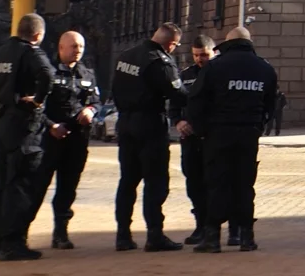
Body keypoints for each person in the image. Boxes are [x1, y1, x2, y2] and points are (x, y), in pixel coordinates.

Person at [185, 26, 278, 253]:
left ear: (228, 43)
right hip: (248, 133)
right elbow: (272, 103)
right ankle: (246, 237)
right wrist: (259, 125)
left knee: (217, 183)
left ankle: (213, 237)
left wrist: (201, 130)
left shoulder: (215, 67)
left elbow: (196, 101)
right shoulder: (264, 68)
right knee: (245, 185)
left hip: (218, 134)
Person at [0, 13, 55, 262]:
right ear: (38, 35)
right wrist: (37, 100)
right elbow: (47, 75)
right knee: (20, 184)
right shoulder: (31, 53)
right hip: (22, 127)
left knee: (0, 184)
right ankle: (12, 243)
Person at [111, 23, 186, 252]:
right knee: (155, 182)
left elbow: (115, 88)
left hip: (125, 123)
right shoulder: (160, 61)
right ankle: (154, 235)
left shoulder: (126, 56)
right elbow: (178, 94)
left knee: (127, 181)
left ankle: (123, 235)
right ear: (171, 43)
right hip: (150, 125)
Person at [29, 31, 99, 250]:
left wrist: (91, 111)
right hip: (50, 140)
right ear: (61, 48)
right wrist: (51, 126)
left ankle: (60, 232)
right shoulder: (47, 72)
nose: (78, 50)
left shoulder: (87, 74)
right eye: (73, 46)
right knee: (37, 187)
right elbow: (36, 107)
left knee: (68, 187)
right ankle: (18, 233)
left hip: (77, 141)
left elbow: (95, 101)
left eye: (81, 46)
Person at [175, 36, 214, 246]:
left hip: (213, 139)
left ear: (213, 52)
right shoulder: (185, 75)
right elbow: (175, 103)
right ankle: (200, 225)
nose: (200, 59)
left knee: (214, 183)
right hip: (190, 139)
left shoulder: (220, 73)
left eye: (205, 55)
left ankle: (214, 227)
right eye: (197, 55)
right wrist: (179, 121)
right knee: (194, 183)